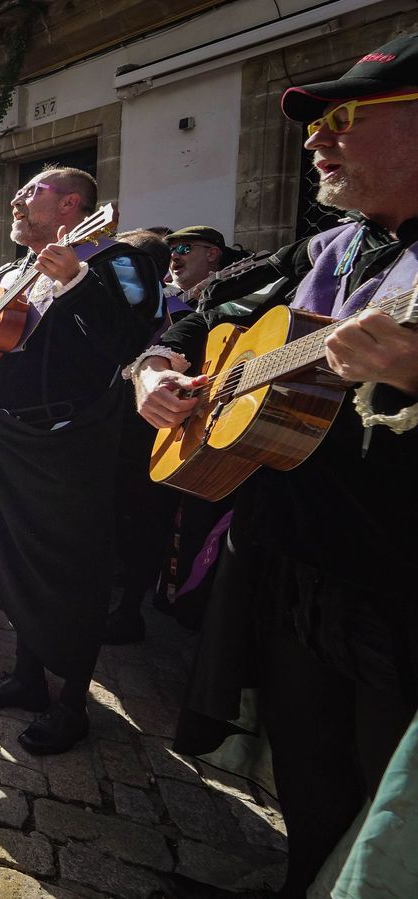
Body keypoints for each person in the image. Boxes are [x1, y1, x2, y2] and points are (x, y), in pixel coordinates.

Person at [134, 36, 418, 894]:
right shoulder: (328, 247)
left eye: (345, 118)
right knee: (308, 769)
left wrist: (410, 370)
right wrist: (154, 370)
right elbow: (203, 310)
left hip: (396, 590)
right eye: (315, 123)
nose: (315, 140)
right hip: (292, 563)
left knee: (384, 804)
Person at [0, 166, 162, 755]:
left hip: (66, 441)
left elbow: (135, 346)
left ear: (72, 207)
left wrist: (80, 283)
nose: (17, 197)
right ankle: (28, 678)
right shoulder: (12, 270)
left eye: (34, 190)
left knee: (68, 568)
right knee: (8, 556)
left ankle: (73, 702)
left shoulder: (116, 264)